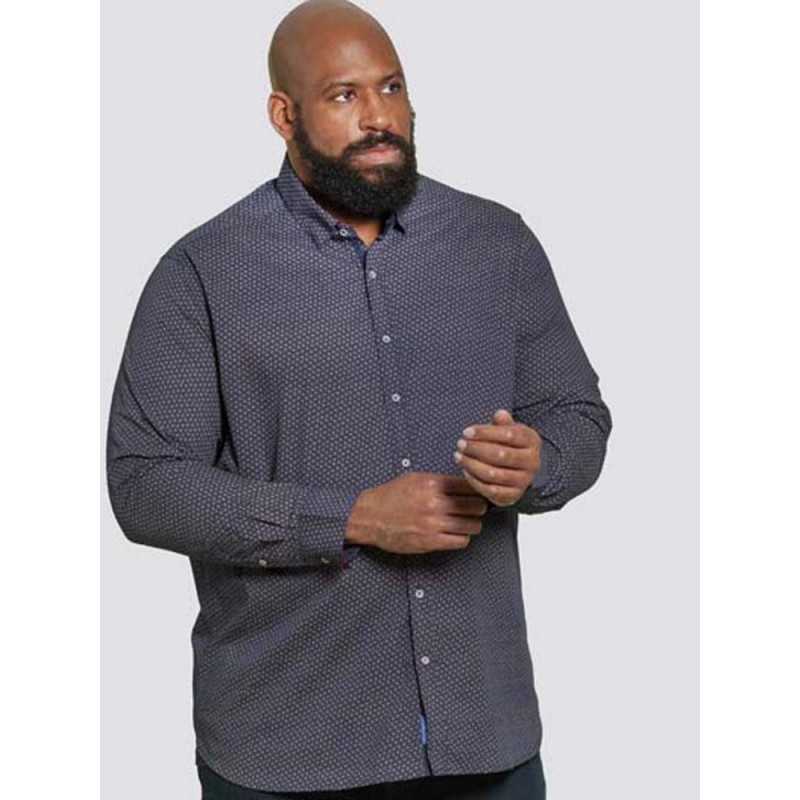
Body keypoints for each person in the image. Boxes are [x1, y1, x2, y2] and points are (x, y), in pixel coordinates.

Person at [105, 1, 613, 797]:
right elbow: (144, 485)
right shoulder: (203, 273)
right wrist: (351, 519)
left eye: (391, 88)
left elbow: (576, 414)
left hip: (486, 739)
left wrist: (539, 462)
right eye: (343, 95)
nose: (379, 117)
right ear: (284, 115)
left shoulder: (497, 244)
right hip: (288, 750)